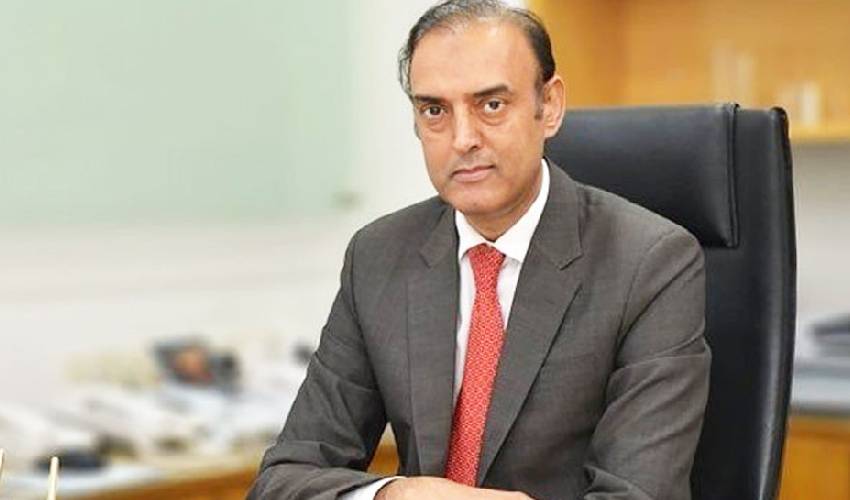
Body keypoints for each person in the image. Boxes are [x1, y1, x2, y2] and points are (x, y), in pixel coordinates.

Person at [248, 1, 711, 499]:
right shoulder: (379, 255)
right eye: (435, 111)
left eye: (491, 105)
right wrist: (394, 495)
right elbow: (283, 479)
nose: (462, 139)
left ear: (549, 106)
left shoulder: (650, 263)